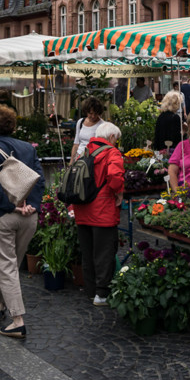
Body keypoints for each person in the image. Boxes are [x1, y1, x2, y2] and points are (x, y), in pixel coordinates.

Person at [0, 104, 44, 340]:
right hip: (29, 216)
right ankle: (0, 306)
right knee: (11, 265)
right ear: (12, 125)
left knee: (6, 267)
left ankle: (17, 321)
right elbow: (38, 177)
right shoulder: (27, 147)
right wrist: (33, 204)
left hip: (1, 216)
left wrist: (8, 206)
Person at [71, 122, 125, 305]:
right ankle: (101, 294)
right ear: (111, 138)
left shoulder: (85, 151)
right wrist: (119, 193)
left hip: (82, 209)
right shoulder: (112, 152)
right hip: (102, 211)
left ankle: (90, 290)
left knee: (88, 252)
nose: (116, 143)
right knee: (104, 253)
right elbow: (115, 177)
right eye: (116, 140)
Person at [69, 97, 106, 164]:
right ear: (86, 111)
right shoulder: (80, 122)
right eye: (91, 113)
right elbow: (76, 144)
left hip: (93, 161)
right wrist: (71, 162)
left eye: (96, 113)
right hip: (79, 159)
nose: (93, 116)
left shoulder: (102, 125)